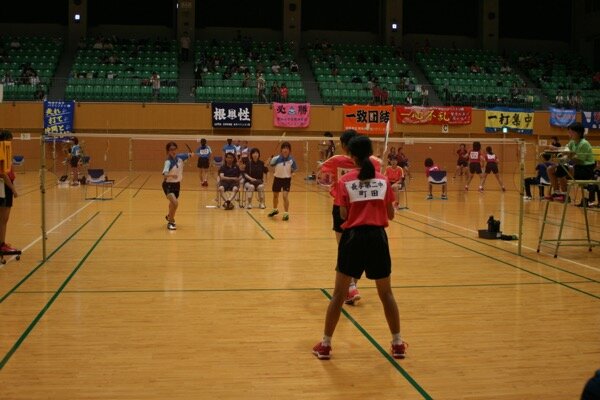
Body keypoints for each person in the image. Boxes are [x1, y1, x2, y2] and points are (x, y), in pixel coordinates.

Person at [312, 135, 407, 361]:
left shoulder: (345, 182)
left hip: (353, 239)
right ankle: (398, 343)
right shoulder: (383, 180)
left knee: (338, 294)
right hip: (377, 239)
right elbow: (391, 214)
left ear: (352, 156)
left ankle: (325, 345)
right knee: (386, 294)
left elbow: (343, 214)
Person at [318, 130, 382, 305]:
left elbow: (322, 178)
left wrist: (332, 186)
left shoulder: (334, 161)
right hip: (363, 208)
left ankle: (350, 287)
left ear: (345, 145)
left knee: (344, 250)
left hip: (342, 208)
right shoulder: (374, 162)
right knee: (357, 251)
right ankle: (351, 288)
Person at [562, 122, 596, 207]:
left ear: (579, 133)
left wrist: (568, 157)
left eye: (572, 132)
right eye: (569, 131)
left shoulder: (584, 143)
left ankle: (565, 195)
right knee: (551, 169)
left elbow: (579, 160)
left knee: (562, 170)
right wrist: (558, 150)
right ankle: (557, 192)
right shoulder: (572, 142)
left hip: (586, 169)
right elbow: (565, 151)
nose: (569, 134)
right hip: (576, 167)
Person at [162, 142, 194, 230]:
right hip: (168, 185)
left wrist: (191, 154)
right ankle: (171, 222)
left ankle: (169, 215)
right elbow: (164, 175)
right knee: (175, 203)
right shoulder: (168, 162)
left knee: (172, 203)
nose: (173, 151)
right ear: (168, 151)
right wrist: (171, 175)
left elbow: (190, 154)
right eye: (171, 150)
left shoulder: (181, 157)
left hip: (177, 184)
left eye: (174, 149)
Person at [0, 131, 19, 254]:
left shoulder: (5, 151)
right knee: (3, 218)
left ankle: (2, 242)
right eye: (10, 139)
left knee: (3, 219)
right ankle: (2, 245)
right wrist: (13, 189)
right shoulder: (2, 150)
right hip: (4, 186)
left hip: (6, 185)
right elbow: (2, 173)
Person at [268, 141, 298, 221]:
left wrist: (293, 172)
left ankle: (286, 213)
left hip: (286, 179)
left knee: (285, 196)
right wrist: (270, 160)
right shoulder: (276, 158)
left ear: (289, 150)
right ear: (281, 150)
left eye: (287, 148)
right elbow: (269, 165)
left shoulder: (292, 160)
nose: (285, 150)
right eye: (284, 148)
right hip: (277, 178)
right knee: (275, 196)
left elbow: (294, 169)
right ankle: (275, 209)